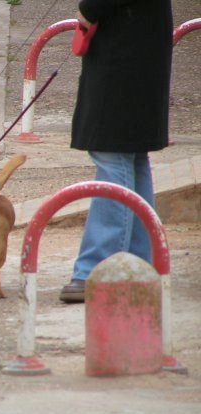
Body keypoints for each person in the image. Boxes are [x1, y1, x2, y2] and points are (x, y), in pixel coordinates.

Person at [60, 0, 173, 302]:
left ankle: (98, 268)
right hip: (139, 42)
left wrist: (88, 10)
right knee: (132, 157)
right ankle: (139, 265)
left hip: (125, 49)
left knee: (114, 156)